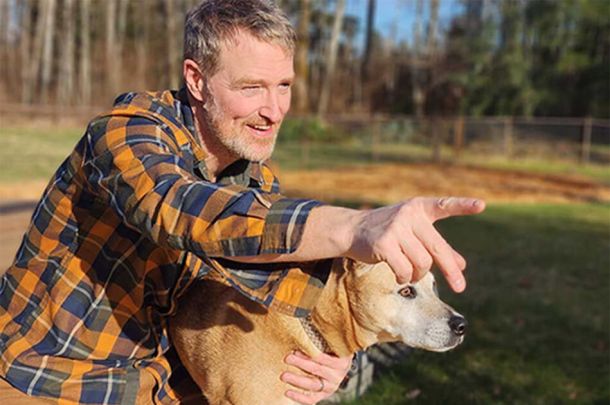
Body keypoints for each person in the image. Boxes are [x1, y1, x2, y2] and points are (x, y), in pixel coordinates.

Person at [0, 0, 485, 404]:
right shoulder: (126, 132)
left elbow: (285, 285)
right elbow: (181, 209)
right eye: (251, 87)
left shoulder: (255, 180)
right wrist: (355, 226)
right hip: (53, 375)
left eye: (284, 86)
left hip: (159, 378)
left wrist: (335, 353)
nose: (273, 110)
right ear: (196, 80)